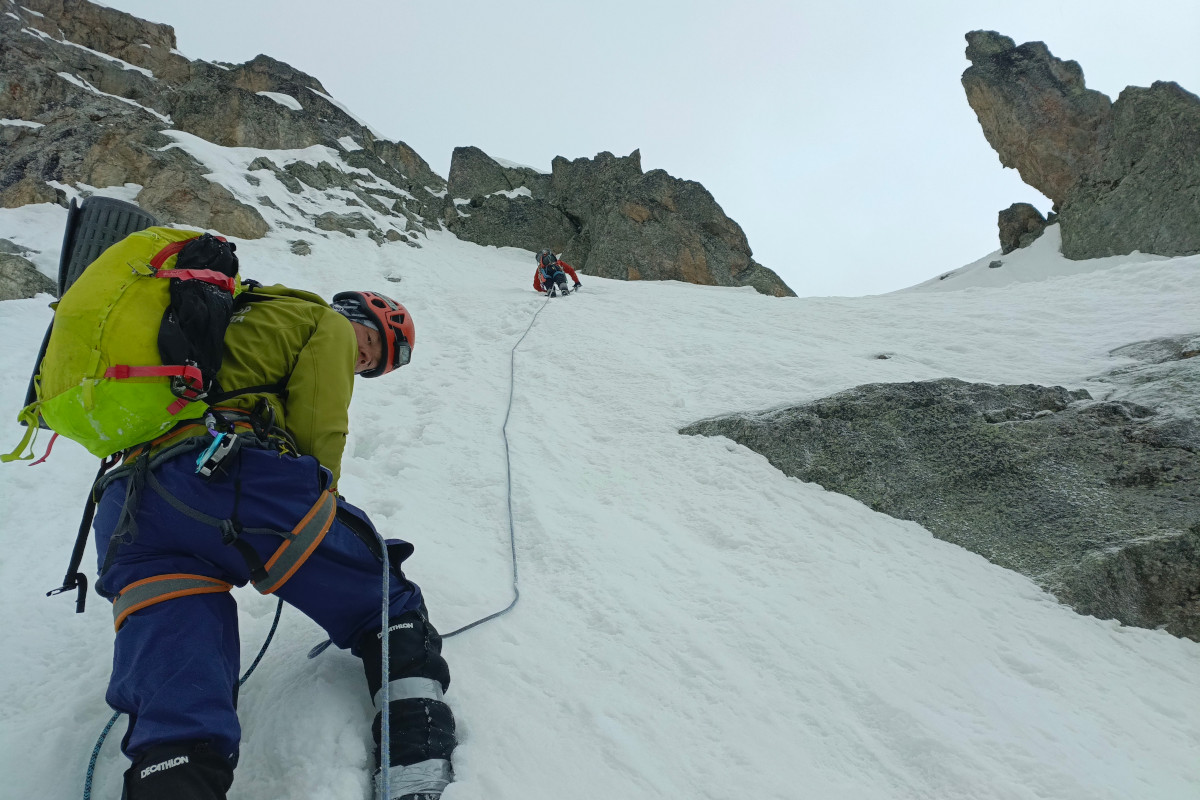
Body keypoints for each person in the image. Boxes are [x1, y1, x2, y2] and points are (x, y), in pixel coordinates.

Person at [90, 284, 456, 800]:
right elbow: (318, 423)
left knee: (180, 699)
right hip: (226, 476)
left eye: (369, 366)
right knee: (383, 598)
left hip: (128, 507)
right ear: (356, 316)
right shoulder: (322, 323)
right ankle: (417, 773)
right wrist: (321, 499)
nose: (361, 363)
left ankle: (171, 777)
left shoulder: (227, 324)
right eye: (369, 347)